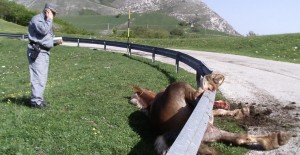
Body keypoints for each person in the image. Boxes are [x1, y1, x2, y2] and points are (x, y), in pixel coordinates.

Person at [27, 2, 63, 108]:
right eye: (53, 12)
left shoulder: (46, 21)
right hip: (37, 51)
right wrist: (50, 18)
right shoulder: (37, 19)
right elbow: (43, 30)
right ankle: (35, 102)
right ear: (47, 10)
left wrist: (55, 42)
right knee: (38, 76)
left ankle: (38, 99)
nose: (54, 15)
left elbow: (44, 39)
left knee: (42, 77)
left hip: (44, 52)